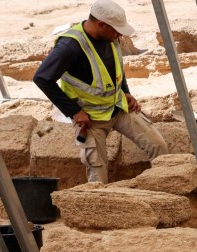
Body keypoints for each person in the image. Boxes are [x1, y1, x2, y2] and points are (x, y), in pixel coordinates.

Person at [33, 0, 168, 184]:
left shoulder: (111, 37)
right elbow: (41, 78)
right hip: (90, 118)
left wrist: (125, 92)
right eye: (116, 29)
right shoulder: (70, 46)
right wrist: (74, 112)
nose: (119, 34)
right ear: (101, 24)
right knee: (98, 176)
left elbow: (115, 67)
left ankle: (166, 193)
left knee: (157, 146)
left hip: (117, 107)